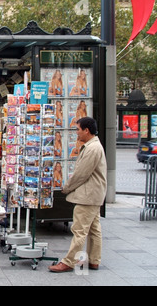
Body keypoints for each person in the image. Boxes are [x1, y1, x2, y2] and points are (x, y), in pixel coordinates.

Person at [49, 117, 107, 273]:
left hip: (88, 196)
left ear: (86, 130)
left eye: (78, 129)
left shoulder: (92, 148)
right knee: (94, 229)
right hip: (94, 194)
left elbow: (81, 174)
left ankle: (69, 261)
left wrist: (66, 188)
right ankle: (94, 260)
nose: (77, 133)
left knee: (79, 230)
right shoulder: (93, 146)